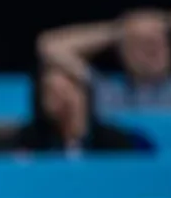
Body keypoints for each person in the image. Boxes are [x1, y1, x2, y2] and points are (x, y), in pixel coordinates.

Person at [37, 7, 171, 111]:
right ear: (123, 52)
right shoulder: (106, 92)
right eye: (141, 43)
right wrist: (118, 31)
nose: (153, 50)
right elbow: (50, 46)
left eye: (160, 41)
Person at [10, 63, 152, 154]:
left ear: (84, 94)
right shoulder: (31, 140)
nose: (61, 99)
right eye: (50, 92)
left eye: (65, 90)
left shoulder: (114, 142)